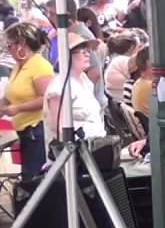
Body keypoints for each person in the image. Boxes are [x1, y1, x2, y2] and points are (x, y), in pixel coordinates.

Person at [1, 24, 53, 180]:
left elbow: (46, 98)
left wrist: (18, 108)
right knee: (28, 175)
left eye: (9, 45)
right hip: (24, 129)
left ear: (21, 44)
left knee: (34, 177)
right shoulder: (19, 66)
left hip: (37, 129)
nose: (8, 50)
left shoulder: (39, 66)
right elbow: (11, 94)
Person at [44, 31, 106, 146]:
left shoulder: (84, 79)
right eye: (83, 51)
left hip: (95, 149)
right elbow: (60, 129)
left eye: (88, 50)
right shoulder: (59, 86)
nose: (88, 54)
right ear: (66, 55)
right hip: (75, 156)